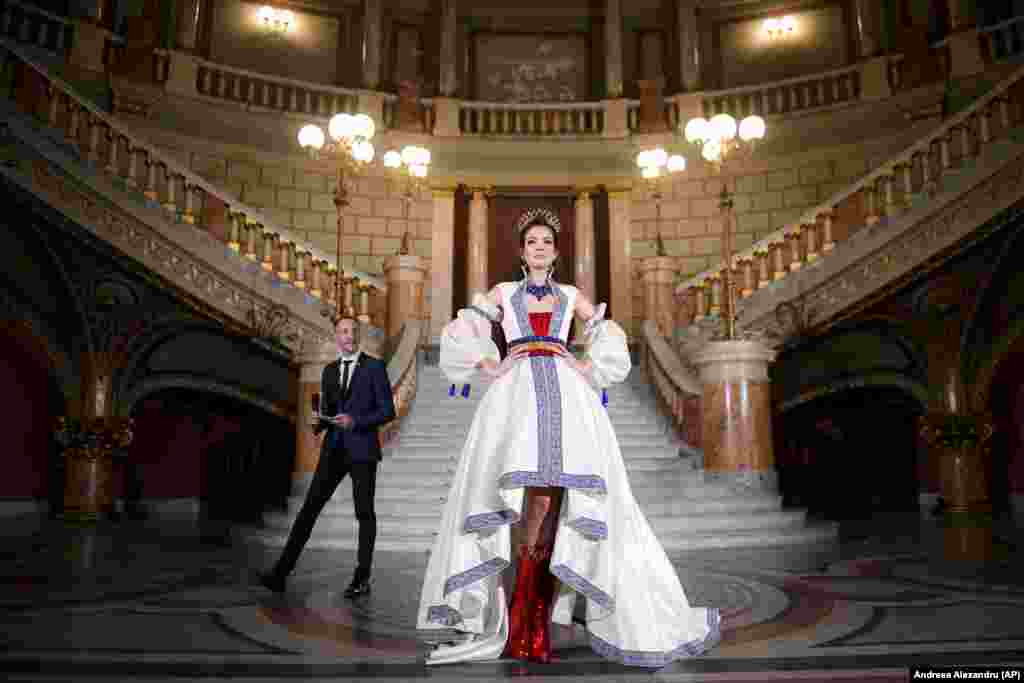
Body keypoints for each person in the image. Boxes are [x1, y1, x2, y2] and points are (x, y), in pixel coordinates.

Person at [417, 208, 720, 667]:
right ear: (522, 251)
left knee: (563, 502)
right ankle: (520, 621)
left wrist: (585, 367)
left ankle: (536, 621)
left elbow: (606, 334)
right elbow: (463, 331)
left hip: (566, 396)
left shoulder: (570, 294)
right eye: (531, 241)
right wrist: (489, 364)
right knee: (515, 503)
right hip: (514, 397)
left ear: (555, 253)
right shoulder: (503, 292)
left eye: (545, 242)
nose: (538, 247)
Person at [261, 315, 396, 598]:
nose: (347, 336)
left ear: (357, 336)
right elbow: (330, 410)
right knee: (309, 509)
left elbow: (387, 411)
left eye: (352, 331)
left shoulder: (374, 368)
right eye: (343, 331)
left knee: (364, 513)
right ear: (336, 336)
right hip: (334, 449)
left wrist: (355, 421)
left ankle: (362, 578)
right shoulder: (329, 371)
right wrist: (319, 423)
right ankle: (280, 573)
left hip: (362, 450)